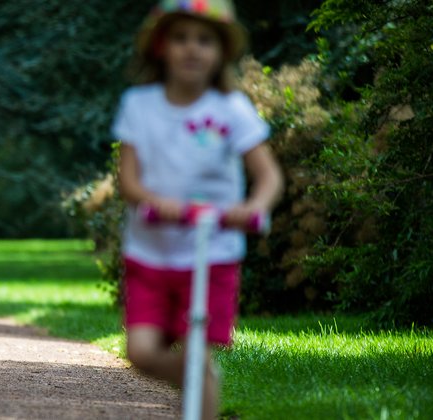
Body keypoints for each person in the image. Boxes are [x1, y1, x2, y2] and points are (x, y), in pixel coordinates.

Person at [113, 1, 283, 418]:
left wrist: (253, 208)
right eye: (181, 38)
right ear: (161, 47)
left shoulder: (231, 109)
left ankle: (199, 386)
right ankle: (200, 379)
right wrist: (157, 203)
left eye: (204, 41)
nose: (192, 49)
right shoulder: (139, 105)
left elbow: (269, 176)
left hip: (212, 253)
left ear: (221, 52)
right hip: (151, 251)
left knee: (197, 353)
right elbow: (129, 181)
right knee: (141, 351)